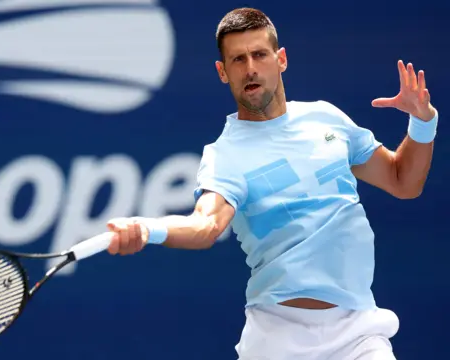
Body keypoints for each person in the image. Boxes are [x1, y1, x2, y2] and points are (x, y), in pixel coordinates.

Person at [103, 7, 438, 360]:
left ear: (281, 59)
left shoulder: (327, 117)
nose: (250, 68)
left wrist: (422, 121)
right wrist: (146, 228)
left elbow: (404, 181)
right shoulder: (225, 155)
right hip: (277, 339)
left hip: (358, 333)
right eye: (238, 59)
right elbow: (205, 226)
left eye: (259, 55)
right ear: (222, 72)